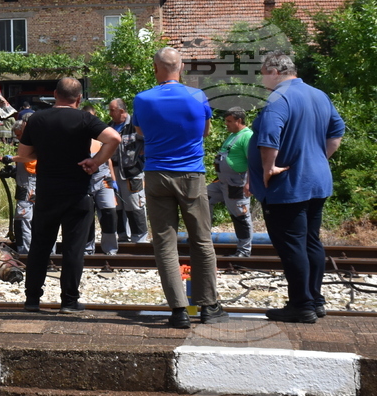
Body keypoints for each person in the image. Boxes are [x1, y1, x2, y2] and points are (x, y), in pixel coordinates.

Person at [133, 47, 229, 329]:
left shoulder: (142, 99)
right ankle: (209, 306)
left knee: (164, 242)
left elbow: (141, 133)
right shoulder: (197, 96)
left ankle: (178, 310)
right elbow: (205, 131)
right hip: (190, 175)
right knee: (201, 240)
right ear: (182, 66)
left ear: (155, 67)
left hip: (156, 175)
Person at [247, 52, 344, 324]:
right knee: (311, 241)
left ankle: (301, 305)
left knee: (292, 245)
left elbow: (269, 136)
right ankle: (315, 300)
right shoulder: (318, 95)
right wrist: (317, 158)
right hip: (316, 181)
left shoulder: (278, 98)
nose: (262, 78)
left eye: (263, 72)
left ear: (275, 71)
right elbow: (336, 131)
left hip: (288, 185)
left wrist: (268, 168)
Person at [17, 78, 121, 313]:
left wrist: (43, 151)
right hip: (77, 192)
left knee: (40, 246)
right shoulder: (85, 119)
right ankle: (69, 301)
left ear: (55, 94)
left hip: (47, 192)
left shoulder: (37, 119)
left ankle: (32, 299)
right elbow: (114, 138)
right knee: (74, 248)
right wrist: (96, 162)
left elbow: (23, 155)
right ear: (79, 98)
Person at [207, 107, 255, 257]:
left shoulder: (247, 136)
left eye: (229, 121)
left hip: (237, 183)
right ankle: (204, 239)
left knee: (240, 215)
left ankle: (244, 251)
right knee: (203, 197)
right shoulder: (233, 135)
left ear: (239, 121)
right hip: (222, 183)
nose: (225, 124)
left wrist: (249, 183)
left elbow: (253, 162)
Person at [108, 98, 148, 243]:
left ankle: (140, 240)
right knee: (117, 207)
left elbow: (148, 141)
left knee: (135, 206)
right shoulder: (109, 127)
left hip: (132, 173)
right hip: (114, 172)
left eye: (112, 110)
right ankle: (123, 237)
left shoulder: (135, 125)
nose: (110, 113)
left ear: (121, 111)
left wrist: (141, 157)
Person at [82, 104, 118, 255]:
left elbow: (108, 159)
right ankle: (87, 249)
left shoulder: (102, 133)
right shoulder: (79, 136)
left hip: (103, 178)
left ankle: (110, 249)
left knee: (109, 213)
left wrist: (113, 180)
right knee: (87, 216)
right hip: (85, 180)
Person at [11, 118, 36, 254]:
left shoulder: (32, 142)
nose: (18, 138)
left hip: (29, 185)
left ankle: (26, 251)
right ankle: (46, 252)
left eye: (19, 135)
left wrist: (11, 158)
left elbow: (31, 162)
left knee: (23, 218)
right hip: (27, 184)